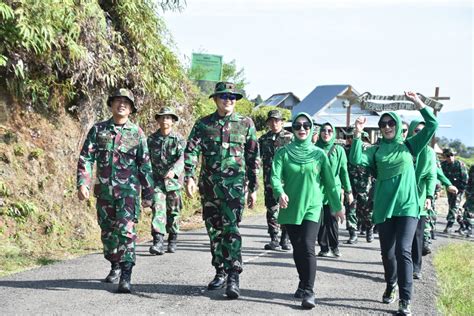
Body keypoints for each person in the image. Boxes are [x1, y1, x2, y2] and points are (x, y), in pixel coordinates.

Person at [349, 91, 438, 315]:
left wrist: (418, 103)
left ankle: (405, 301)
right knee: (387, 254)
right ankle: (391, 285)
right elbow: (355, 159)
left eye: (391, 123)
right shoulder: (377, 150)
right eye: (383, 124)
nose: (387, 126)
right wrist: (357, 134)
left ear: (397, 125)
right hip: (384, 208)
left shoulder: (410, 146)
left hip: (408, 207)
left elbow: (432, 123)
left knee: (403, 251)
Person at [184, 82, 259, 299]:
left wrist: (253, 188)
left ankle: (234, 275)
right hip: (209, 189)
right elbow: (191, 150)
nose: (229, 100)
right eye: (224, 96)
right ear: (216, 99)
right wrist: (189, 176)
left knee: (232, 230)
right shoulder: (203, 124)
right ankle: (220, 271)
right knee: (214, 232)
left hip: (234, 189)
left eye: (233, 97)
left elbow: (253, 158)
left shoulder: (245, 123)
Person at [77, 88, 154, 293]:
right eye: (118, 101)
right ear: (111, 105)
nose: (122, 105)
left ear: (131, 109)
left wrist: (148, 193)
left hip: (128, 193)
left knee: (126, 232)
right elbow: (86, 158)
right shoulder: (98, 130)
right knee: (108, 232)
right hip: (104, 193)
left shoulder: (136, 133)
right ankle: (115, 264)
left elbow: (144, 164)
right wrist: (82, 183)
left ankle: (126, 275)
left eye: (126, 103)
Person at [271, 112, 344, 309]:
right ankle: (303, 283)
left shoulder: (319, 154)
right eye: (297, 126)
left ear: (311, 128)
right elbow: (275, 177)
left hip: (313, 206)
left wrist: (337, 207)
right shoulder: (283, 153)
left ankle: (310, 291)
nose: (302, 129)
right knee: (298, 247)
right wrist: (279, 192)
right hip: (290, 206)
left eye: (306, 125)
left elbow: (329, 183)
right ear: (293, 129)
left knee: (308, 246)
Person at [148, 107, 186, 255]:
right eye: (162, 118)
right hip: (157, 181)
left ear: (173, 121)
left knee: (173, 212)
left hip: (174, 182)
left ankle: (173, 239)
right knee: (158, 207)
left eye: (168, 118)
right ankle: (158, 242)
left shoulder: (179, 139)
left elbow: (183, 158)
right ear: (158, 120)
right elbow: (146, 160)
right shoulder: (151, 140)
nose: (165, 121)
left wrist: (174, 171)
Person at [316, 122, 353, 257]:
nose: (326, 133)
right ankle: (323, 247)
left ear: (334, 133)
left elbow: (344, 172)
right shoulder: (314, 149)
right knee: (319, 221)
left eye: (330, 131)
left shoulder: (339, 150)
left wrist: (348, 191)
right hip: (318, 190)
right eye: (324, 130)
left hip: (333, 191)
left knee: (332, 220)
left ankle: (334, 246)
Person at [258, 109, 293, 250]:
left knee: (286, 207)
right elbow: (256, 158)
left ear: (282, 122)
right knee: (271, 208)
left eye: (277, 120)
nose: (274, 123)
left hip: (287, 180)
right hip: (269, 180)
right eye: (271, 121)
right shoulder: (263, 139)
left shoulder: (290, 138)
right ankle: (274, 238)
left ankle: (285, 238)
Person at [406, 120, 437, 280]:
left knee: (417, 235)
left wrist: (429, 196)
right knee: (402, 237)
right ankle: (401, 266)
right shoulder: (404, 148)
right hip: (402, 200)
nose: (420, 133)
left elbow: (432, 176)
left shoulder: (429, 152)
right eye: (417, 130)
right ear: (411, 131)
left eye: (423, 131)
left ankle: (416, 267)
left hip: (419, 200)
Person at [343, 128, 373, 244]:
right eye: (348, 137)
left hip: (364, 186)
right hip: (349, 185)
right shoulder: (345, 150)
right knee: (350, 209)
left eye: (352, 137)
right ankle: (353, 233)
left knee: (366, 211)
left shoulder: (367, 150)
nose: (349, 139)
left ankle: (369, 228)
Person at [440, 148, 468, 234]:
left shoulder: (459, 164)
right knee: (454, 207)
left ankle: (449, 226)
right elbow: (441, 176)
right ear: (445, 156)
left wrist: (460, 191)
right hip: (450, 189)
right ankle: (463, 224)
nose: (450, 157)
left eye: (452, 155)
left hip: (459, 189)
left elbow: (465, 179)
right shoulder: (443, 165)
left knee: (454, 206)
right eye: (448, 156)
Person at [461, 165, 474, 237]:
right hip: (471, 194)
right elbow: (469, 181)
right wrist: (467, 191)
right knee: (468, 210)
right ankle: (468, 228)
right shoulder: (473, 168)